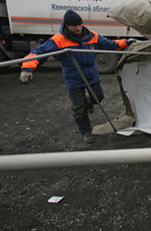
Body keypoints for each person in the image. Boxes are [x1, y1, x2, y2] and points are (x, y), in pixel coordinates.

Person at [19, 10, 135, 144]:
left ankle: (89, 103)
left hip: (91, 75)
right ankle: (85, 131)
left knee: (98, 97)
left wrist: (127, 42)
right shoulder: (59, 40)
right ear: (67, 26)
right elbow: (38, 52)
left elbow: (110, 45)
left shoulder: (91, 36)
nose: (78, 28)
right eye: (74, 26)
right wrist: (27, 68)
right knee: (79, 108)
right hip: (74, 78)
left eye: (80, 24)